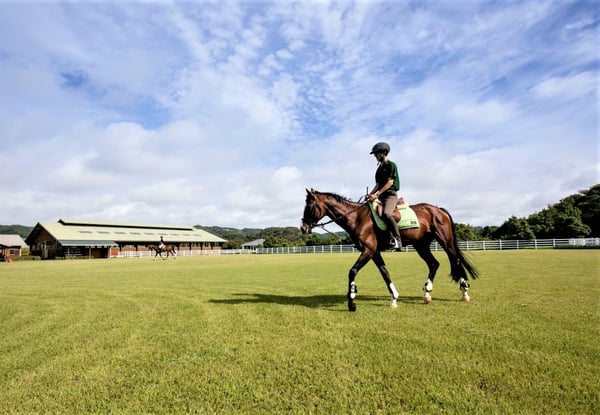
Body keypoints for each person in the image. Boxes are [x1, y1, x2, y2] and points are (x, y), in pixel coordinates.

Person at [367, 141, 403, 250]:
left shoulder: (391, 165)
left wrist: (376, 194)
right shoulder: (378, 169)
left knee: (387, 214)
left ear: (384, 152)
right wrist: (370, 194)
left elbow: (390, 183)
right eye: (375, 154)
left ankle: (397, 240)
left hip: (390, 195)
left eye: (377, 153)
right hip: (380, 195)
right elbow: (377, 185)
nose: (375, 156)